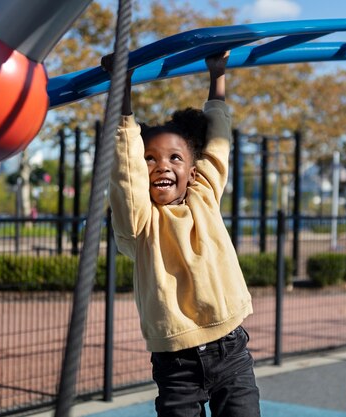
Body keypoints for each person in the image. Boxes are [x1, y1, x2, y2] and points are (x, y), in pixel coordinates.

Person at [103, 50, 261, 417]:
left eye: (175, 158)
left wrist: (217, 74)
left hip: (230, 350)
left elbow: (218, 142)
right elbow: (125, 166)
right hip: (176, 364)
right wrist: (122, 88)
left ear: (193, 170)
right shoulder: (140, 222)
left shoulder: (204, 195)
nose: (163, 166)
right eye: (151, 159)